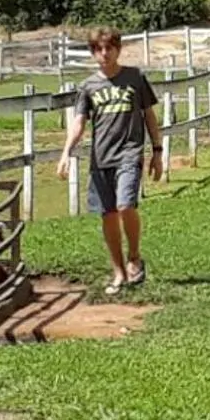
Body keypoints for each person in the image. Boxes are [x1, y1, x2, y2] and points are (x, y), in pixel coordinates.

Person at [56, 28, 163, 296]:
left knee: (125, 205)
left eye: (109, 48)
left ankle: (134, 257)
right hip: (101, 157)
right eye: (98, 49)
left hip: (129, 153)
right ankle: (118, 272)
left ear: (118, 49)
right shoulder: (88, 86)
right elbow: (79, 122)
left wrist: (157, 150)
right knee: (109, 214)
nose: (104, 53)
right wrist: (66, 152)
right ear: (93, 53)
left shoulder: (135, 78)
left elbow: (149, 115)